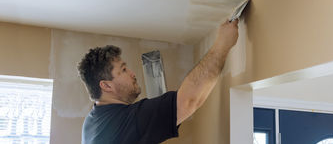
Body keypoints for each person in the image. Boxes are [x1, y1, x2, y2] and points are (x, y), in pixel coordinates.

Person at [77, 19, 239, 144]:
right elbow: (188, 101)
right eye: (124, 70)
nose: (132, 73)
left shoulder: (91, 122)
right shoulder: (127, 121)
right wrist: (223, 44)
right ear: (106, 85)